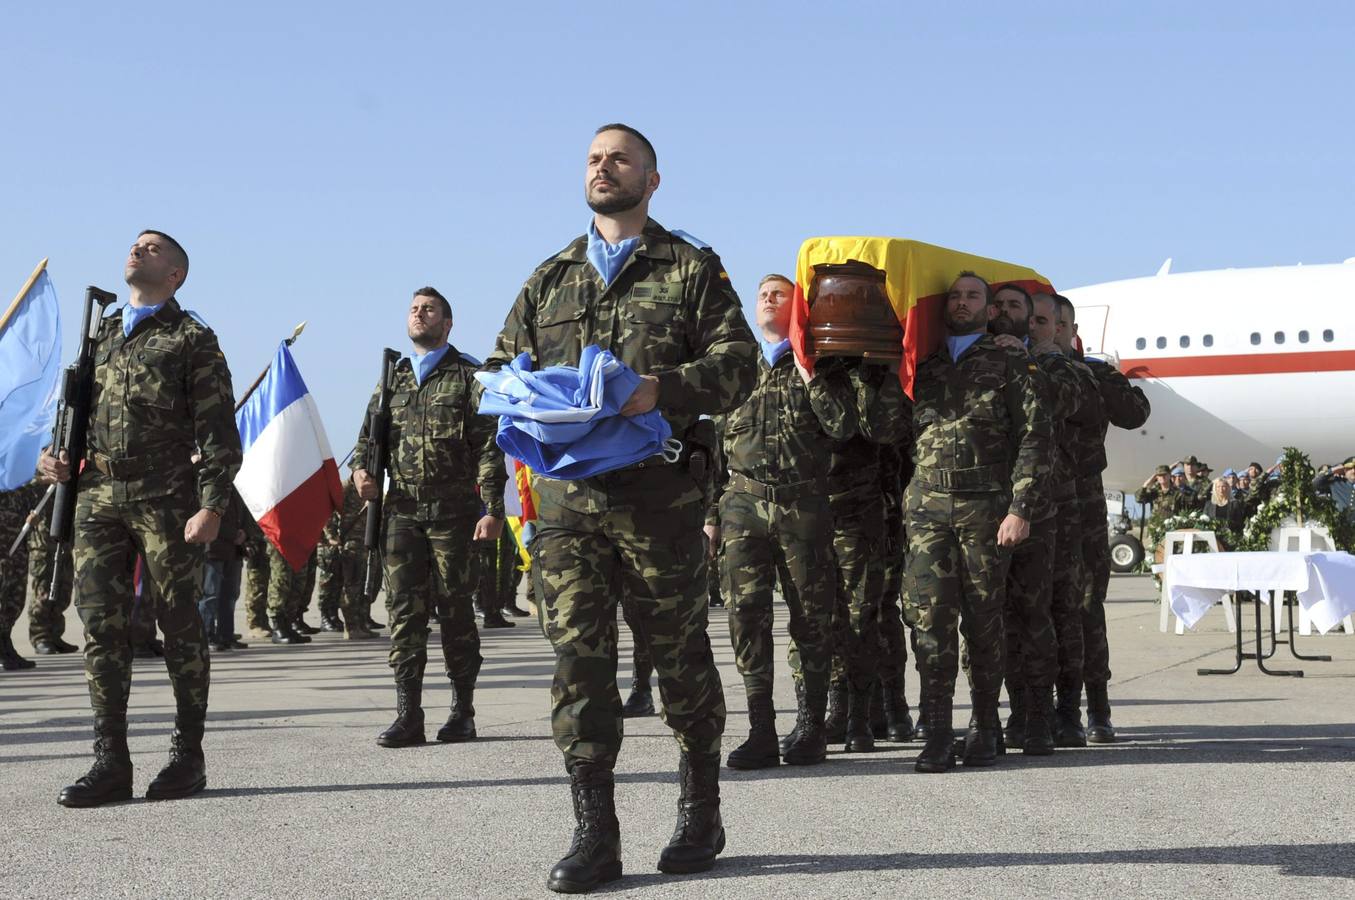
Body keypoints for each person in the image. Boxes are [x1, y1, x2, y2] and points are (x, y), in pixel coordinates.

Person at [484, 123, 756, 892]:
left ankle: (699, 806)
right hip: (568, 501)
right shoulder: (549, 275)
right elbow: (503, 364)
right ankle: (594, 833)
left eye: (620, 159)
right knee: (578, 660)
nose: (604, 169)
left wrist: (657, 391)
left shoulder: (692, 269)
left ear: (652, 180)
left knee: (676, 655)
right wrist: (520, 391)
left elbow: (737, 367)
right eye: (594, 159)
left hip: (658, 497)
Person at [39, 230, 241, 807]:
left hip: (168, 495)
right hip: (97, 494)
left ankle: (187, 755)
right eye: (135, 244)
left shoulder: (192, 338)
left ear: (176, 274)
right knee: (101, 625)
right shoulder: (97, 336)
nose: (138, 249)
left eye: (153, 248)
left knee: (179, 624)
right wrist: (52, 458)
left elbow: (219, 434)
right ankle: (111, 762)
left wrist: (212, 505)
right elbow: (71, 415)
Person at [905, 272, 1051, 773]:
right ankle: (938, 733)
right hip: (927, 507)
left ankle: (985, 725)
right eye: (955, 296)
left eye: (972, 296)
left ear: (989, 310)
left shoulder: (1010, 360)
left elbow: (1035, 436)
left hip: (985, 507)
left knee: (984, 621)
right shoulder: (921, 364)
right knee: (929, 622)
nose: (962, 303)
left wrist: (1020, 508)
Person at [352, 286, 505, 750]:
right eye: (414, 309)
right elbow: (367, 441)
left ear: (447, 323)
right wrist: (361, 471)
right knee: (403, 613)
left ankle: (462, 712)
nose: (420, 315)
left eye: (429, 309)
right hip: (401, 512)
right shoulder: (391, 379)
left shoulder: (468, 377)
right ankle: (409, 714)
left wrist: (494, 509)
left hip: (454, 510)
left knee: (456, 610)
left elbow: (489, 448)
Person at [715, 273, 858, 770]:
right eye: (763, 294)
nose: (769, 299)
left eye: (780, 293)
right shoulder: (737, 368)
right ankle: (760, 729)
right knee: (745, 618)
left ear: (799, 307)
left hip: (803, 505)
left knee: (812, 620)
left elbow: (843, 426)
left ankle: (811, 728)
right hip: (742, 505)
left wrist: (809, 371)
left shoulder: (823, 363)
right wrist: (712, 513)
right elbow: (714, 449)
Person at [1058, 294, 1150, 744]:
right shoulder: (1017, 372)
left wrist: (1097, 372)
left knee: (1086, 610)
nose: (1041, 330)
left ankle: (1096, 708)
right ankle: (1050, 710)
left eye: (1052, 323)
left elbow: (1134, 414)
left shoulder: (1094, 374)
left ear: (1070, 331)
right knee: (1037, 614)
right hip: (1033, 511)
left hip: (1084, 510)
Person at [26, 482, 78, 654]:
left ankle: (55, 634)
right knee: (43, 592)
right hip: (42, 543)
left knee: (63, 591)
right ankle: (40, 636)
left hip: (63, 542)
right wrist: (45, 477)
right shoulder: (36, 476)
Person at [198, 487, 247, 651]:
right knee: (210, 595)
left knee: (229, 595)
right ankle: (207, 635)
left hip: (233, 550)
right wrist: (234, 534)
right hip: (213, 549)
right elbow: (208, 517)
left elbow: (243, 515)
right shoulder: (209, 486)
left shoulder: (237, 487)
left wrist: (244, 534)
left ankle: (226, 635)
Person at [1, 482, 42, 670]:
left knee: (14, 599)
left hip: (17, 545)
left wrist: (31, 517)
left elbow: (30, 502)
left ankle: (5, 643)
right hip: (2, 546)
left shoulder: (17, 480)